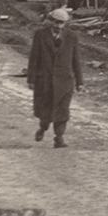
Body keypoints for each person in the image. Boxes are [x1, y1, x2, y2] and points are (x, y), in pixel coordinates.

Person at [27, 8, 83, 148]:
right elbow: (34, 58)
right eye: (56, 22)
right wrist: (31, 79)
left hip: (65, 81)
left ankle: (59, 138)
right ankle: (43, 128)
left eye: (62, 23)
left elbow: (76, 60)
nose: (58, 26)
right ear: (51, 21)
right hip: (45, 80)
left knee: (62, 110)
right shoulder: (40, 35)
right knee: (45, 109)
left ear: (65, 23)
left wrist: (79, 82)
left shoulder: (72, 36)